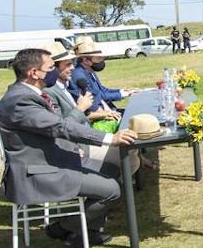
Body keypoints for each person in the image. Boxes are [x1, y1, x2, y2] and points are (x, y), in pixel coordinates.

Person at [0, 48, 138, 248]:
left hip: (56, 159)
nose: (55, 70)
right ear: (34, 73)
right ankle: (63, 228)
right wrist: (110, 138)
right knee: (112, 190)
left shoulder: (27, 94)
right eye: (51, 67)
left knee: (113, 170)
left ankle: (87, 229)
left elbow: (51, 129)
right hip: (38, 171)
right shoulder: (20, 100)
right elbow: (59, 126)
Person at [42, 41, 139, 177]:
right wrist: (81, 108)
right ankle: (109, 186)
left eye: (72, 63)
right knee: (128, 150)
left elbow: (99, 95)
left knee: (131, 146)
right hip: (80, 145)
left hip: (87, 136)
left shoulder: (66, 84)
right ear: (53, 68)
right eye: (68, 64)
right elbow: (59, 127)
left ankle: (112, 184)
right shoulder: (49, 92)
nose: (72, 68)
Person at [69, 38, 134, 115]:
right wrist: (123, 95)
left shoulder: (90, 70)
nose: (102, 61)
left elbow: (102, 90)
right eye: (98, 58)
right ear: (86, 60)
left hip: (107, 110)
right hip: (101, 114)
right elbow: (97, 98)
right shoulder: (79, 76)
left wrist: (123, 91)